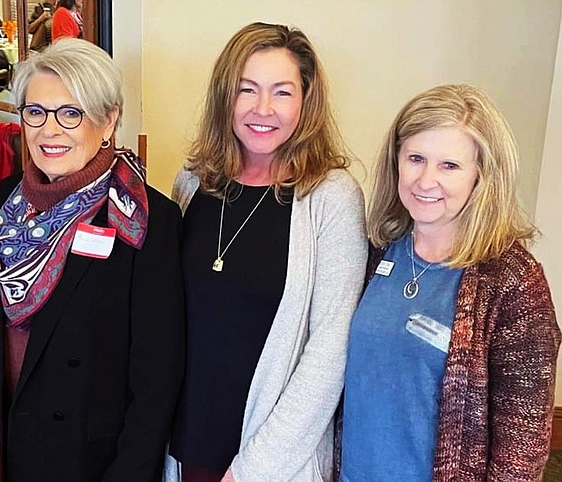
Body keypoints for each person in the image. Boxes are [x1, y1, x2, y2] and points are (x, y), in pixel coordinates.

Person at [166, 22, 367, 482]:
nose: (263, 109)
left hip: (269, 457)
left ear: (306, 101)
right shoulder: (193, 181)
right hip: (187, 443)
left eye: (282, 92)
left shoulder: (331, 196)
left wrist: (255, 469)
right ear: (225, 97)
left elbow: (331, 349)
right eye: (247, 89)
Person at [0, 37, 185, 481]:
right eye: (35, 112)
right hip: (8, 447)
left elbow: (157, 376)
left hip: (90, 461)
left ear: (108, 120)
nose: (48, 130)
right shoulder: (5, 200)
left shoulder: (147, 219)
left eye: (71, 113)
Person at [338, 84, 560, 481]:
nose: (426, 180)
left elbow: (521, 449)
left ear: (482, 176)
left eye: (449, 166)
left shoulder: (513, 282)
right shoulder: (374, 251)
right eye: (416, 158)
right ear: (397, 161)